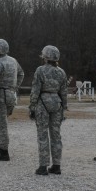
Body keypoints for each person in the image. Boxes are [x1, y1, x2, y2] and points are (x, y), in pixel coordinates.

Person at [29, 45, 67, 175]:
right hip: (57, 103)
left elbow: (35, 90)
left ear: (45, 56)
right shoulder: (61, 72)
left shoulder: (40, 70)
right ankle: (57, 165)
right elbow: (64, 92)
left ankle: (43, 166)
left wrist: (32, 106)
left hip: (42, 103)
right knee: (56, 135)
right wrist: (64, 107)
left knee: (42, 135)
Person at [0, 39, 25, 161]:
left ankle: (3, 152)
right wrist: (15, 88)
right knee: (4, 121)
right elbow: (21, 74)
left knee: (1, 123)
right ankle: (2, 150)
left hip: (1, 95)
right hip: (11, 95)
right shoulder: (13, 61)